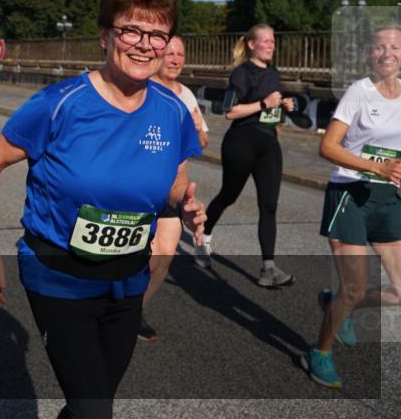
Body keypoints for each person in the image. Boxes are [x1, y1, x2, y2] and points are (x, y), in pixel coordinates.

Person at [0, 0, 205, 419]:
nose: (145, 44)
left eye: (157, 34)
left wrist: (184, 203)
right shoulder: (60, 104)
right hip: (59, 276)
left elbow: (174, 184)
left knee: (91, 406)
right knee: (95, 410)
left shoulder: (173, 111)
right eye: (131, 30)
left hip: (129, 279)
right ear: (105, 36)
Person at [301, 23, 401, 389]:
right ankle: (319, 352)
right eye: (380, 47)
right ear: (370, 54)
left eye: (395, 47)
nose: (388, 53)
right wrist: (376, 167)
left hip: (388, 199)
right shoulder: (359, 92)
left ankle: (340, 303)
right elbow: (328, 146)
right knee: (355, 286)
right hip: (350, 195)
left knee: (399, 291)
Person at [196, 24, 297, 287]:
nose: (271, 45)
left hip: (268, 144)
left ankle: (268, 269)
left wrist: (283, 105)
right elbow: (230, 111)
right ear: (252, 44)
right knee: (228, 196)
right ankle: (204, 236)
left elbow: (269, 108)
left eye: (273, 41)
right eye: (266, 41)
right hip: (241, 144)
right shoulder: (241, 73)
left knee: (269, 206)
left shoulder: (273, 72)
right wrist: (264, 104)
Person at [139, 34, 210, 342]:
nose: (175, 59)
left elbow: (202, 142)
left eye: (180, 54)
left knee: (164, 258)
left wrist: (194, 129)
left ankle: (134, 312)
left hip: (173, 190)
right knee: (134, 257)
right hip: (140, 189)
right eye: (170, 53)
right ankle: (111, 309)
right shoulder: (142, 89)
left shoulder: (187, 95)